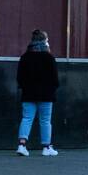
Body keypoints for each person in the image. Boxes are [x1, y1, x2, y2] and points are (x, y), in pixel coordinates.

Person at [17, 29, 60, 157]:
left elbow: (20, 77)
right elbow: (55, 78)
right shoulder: (49, 57)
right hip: (46, 94)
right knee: (45, 120)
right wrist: (52, 88)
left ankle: (22, 145)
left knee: (27, 118)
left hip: (28, 94)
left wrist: (24, 87)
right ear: (44, 41)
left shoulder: (25, 57)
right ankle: (46, 147)